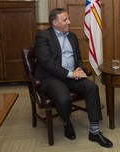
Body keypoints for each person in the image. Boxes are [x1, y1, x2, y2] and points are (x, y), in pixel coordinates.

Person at [34, 8, 113, 148]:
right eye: (65, 20)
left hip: (72, 75)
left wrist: (79, 68)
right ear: (54, 23)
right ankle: (66, 122)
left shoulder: (72, 36)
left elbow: (77, 57)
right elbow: (47, 63)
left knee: (92, 87)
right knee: (64, 99)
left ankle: (94, 131)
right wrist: (70, 74)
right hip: (51, 78)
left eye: (68, 18)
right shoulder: (43, 36)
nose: (69, 22)